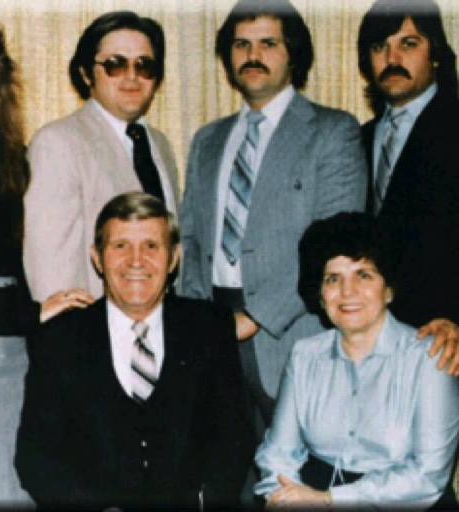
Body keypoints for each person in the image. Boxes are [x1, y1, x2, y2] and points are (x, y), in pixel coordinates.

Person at [180, 0, 367, 430]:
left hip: (290, 331)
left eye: (268, 43)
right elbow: (188, 238)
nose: (253, 55)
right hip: (213, 334)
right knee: (227, 479)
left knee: (300, 480)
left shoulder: (332, 132)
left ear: (293, 53)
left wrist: (255, 317)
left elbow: (335, 247)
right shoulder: (208, 140)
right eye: (241, 44)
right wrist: (197, 321)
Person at [15, 192, 252, 510]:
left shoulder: (210, 327)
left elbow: (234, 439)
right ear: (97, 257)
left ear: (173, 258)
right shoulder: (59, 339)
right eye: (120, 246)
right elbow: (36, 458)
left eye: (151, 246)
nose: (136, 261)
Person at [0, 11, 92, 503]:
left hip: (13, 345)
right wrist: (34, 313)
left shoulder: (16, 156)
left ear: (1, 77)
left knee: (14, 482)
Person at [255, 212, 459, 510]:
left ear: (389, 289)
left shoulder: (429, 358)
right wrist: (283, 497)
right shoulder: (304, 356)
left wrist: (331, 500)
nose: (347, 292)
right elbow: (277, 455)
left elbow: (428, 476)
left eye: (363, 275)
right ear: (321, 296)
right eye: (333, 279)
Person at [23, 11, 179, 302]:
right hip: (95, 336)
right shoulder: (58, 143)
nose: (132, 76)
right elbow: (51, 273)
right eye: (115, 65)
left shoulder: (160, 145)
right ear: (85, 73)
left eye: (144, 66)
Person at [358, 0, 459, 342]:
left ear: (436, 54)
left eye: (408, 44)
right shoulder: (357, 138)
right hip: (371, 337)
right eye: (379, 47)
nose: (392, 59)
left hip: (443, 339)